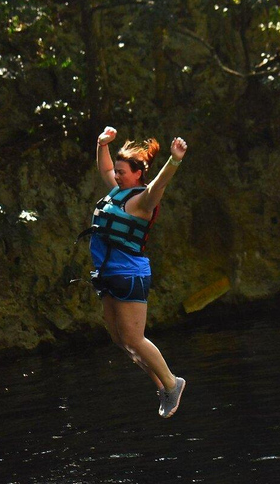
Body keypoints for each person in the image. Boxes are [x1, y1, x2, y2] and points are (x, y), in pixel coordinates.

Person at [87, 125, 188, 418]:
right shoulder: (117, 193)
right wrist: (101, 143)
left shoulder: (143, 201)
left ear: (137, 174)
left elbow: (159, 184)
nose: (116, 175)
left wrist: (175, 160)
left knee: (134, 339)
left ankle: (172, 382)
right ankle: (162, 386)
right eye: (116, 171)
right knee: (120, 340)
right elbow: (104, 167)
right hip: (108, 274)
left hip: (130, 275)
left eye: (122, 172)